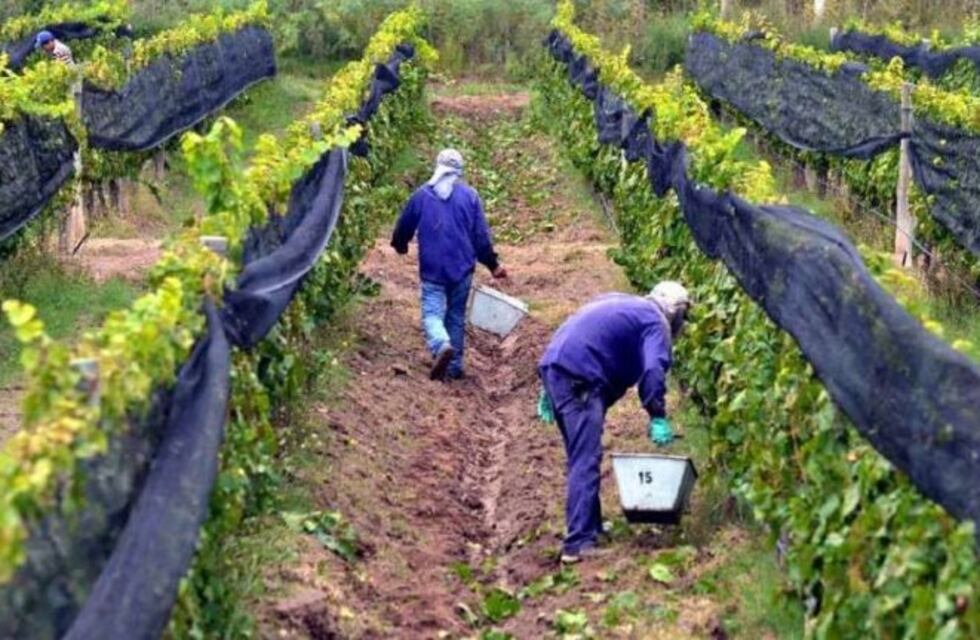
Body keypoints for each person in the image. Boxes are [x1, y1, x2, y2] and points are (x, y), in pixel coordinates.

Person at [537, 282, 692, 564]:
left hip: (556, 367)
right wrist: (657, 415)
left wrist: (548, 387)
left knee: (580, 454)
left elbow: (575, 328)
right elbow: (654, 369)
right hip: (581, 379)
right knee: (585, 459)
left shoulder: (623, 303)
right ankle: (578, 543)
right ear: (675, 311)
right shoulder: (656, 322)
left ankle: (591, 526)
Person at [392, 149, 507, 381]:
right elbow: (480, 237)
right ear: (459, 172)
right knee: (455, 316)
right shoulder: (470, 196)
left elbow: (404, 226)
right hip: (462, 268)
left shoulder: (422, 195)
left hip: (432, 268)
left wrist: (400, 245)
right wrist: (493, 265)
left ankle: (440, 344)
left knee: (432, 313)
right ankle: (453, 367)